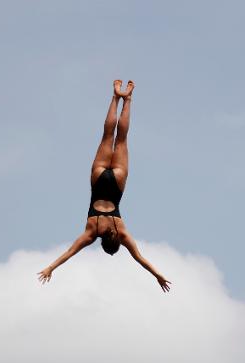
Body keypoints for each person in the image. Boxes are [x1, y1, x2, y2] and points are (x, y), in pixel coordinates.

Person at [37, 80, 171, 292]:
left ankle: (126, 98)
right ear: (103, 242)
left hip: (117, 180)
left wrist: (158, 275)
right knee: (108, 137)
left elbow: (139, 258)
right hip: (99, 177)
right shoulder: (92, 233)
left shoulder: (123, 233)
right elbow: (69, 252)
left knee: (121, 139)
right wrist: (49, 267)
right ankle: (115, 96)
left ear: (117, 240)